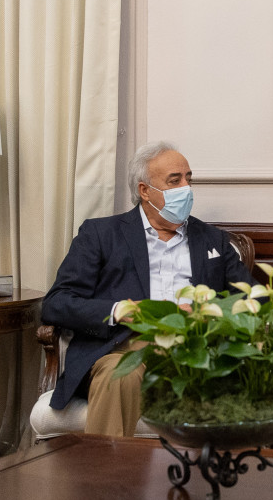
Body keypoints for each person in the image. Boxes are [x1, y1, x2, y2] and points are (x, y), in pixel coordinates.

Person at [41, 141, 257, 436]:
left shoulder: (212, 240)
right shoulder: (101, 234)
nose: (186, 188)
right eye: (174, 181)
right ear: (145, 190)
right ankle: (104, 467)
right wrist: (119, 310)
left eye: (188, 179)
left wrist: (205, 312)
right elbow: (56, 303)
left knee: (228, 377)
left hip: (194, 348)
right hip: (124, 347)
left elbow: (252, 298)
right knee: (119, 374)